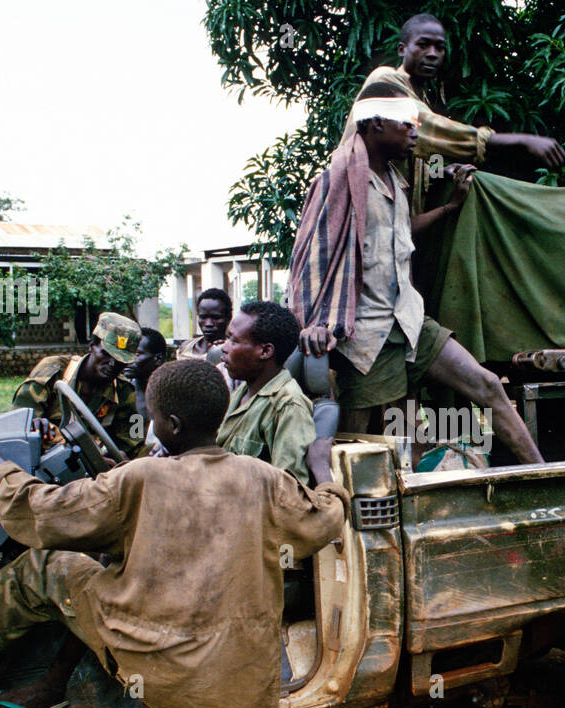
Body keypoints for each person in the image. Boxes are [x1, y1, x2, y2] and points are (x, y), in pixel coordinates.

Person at [0, 358, 348, 708]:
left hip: (155, 658)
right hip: (233, 664)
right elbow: (323, 518)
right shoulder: (263, 480)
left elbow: (43, 513)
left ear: (170, 426)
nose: (149, 426)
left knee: (46, 566)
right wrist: (324, 470)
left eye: (152, 418)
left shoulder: (135, 480)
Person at [291, 84, 544, 465]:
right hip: (364, 336)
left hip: (408, 319)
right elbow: (310, 256)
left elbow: (401, 230)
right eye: (406, 125)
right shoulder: (338, 179)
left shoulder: (393, 178)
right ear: (375, 124)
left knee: (488, 385)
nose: (415, 133)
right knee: (376, 442)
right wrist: (312, 322)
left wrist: (451, 207)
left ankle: (546, 480)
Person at [340, 12, 565, 214]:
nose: (432, 54)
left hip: (391, 228)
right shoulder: (384, 80)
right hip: (358, 216)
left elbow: (411, 162)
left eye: (439, 47)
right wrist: (519, 141)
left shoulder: (422, 99)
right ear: (402, 49)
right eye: (423, 45)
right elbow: (428, 127)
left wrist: (439, 172)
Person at [12, 311, 144, 458]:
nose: (113, 364)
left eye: (121, 360)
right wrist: (36, 425)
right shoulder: (52, 371)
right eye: (106, 354)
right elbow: (19, 421)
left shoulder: (125, 392)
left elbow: (134, 439)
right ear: (92, 345)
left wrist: (119, 455)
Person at [217, 300, 318, 484]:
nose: (224, 347)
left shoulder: (288, 407)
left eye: (233, 340)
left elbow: (289, 490)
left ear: (265, 351)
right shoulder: (241, 392)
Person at [177, 287, 235, 388]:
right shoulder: (185, 348)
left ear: (228, 317)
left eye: (216, 317)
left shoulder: (233, 351)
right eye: (203, 317)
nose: (208, 324)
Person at [127, 327, 169, 454]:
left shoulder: (172, 394)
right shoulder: (125, 392)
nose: (128, 359)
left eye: (137, 354)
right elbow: (134, 435)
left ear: (158, 359)